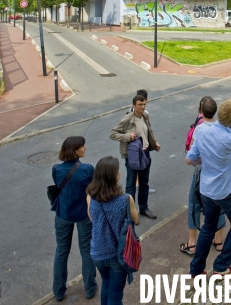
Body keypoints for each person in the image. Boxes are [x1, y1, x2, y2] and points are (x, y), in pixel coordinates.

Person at [186, 99, 231, 278]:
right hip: (225, 191)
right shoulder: (230, 139)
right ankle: (221, 265)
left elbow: (191, 157)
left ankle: (196, 269)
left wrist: (205, 160)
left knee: (208, 226)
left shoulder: (202, 130)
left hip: (207, 189)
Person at [87, 156, 139, 305]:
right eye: (118, 170)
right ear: (113, 175)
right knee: (116, 296)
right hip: (118, 252)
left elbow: (92, 218)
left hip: (98, 251)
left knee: (106, 283)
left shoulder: (91, 197)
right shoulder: (125, 199)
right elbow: (135, 220)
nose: (120, 172)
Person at [51, 136, 97, 302]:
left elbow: (58, 186)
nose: (85, 148)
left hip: (63, 214)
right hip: (83, 214)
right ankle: (90, 288)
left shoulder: (56, 169)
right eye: (82, 146)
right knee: (86, 250)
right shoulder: (87, 169)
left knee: (62, 251)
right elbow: (93, 190)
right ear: (75, 150)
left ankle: (58, 291)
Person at [180, 96, 226, 256]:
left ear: (201, 111)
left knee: (194, 203)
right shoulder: (222, 126)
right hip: (219, 171)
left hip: (203, 170)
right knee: (219, 203)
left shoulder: (200, 129)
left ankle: (192, 243)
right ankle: (218, 239)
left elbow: (192, 153)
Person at [110, 95, 160, 219]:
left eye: (144, 104)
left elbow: (149, 130)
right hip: (132, 155)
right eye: (140, 105)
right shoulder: (128, 119)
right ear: (133, 105)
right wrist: (128, 137)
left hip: (145, 153)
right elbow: (113, 134)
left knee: (144, 183)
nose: (143, 107)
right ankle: (129, 212)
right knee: (131, 184)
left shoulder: (145, 116)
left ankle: (143, 208)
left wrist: (155, 142)